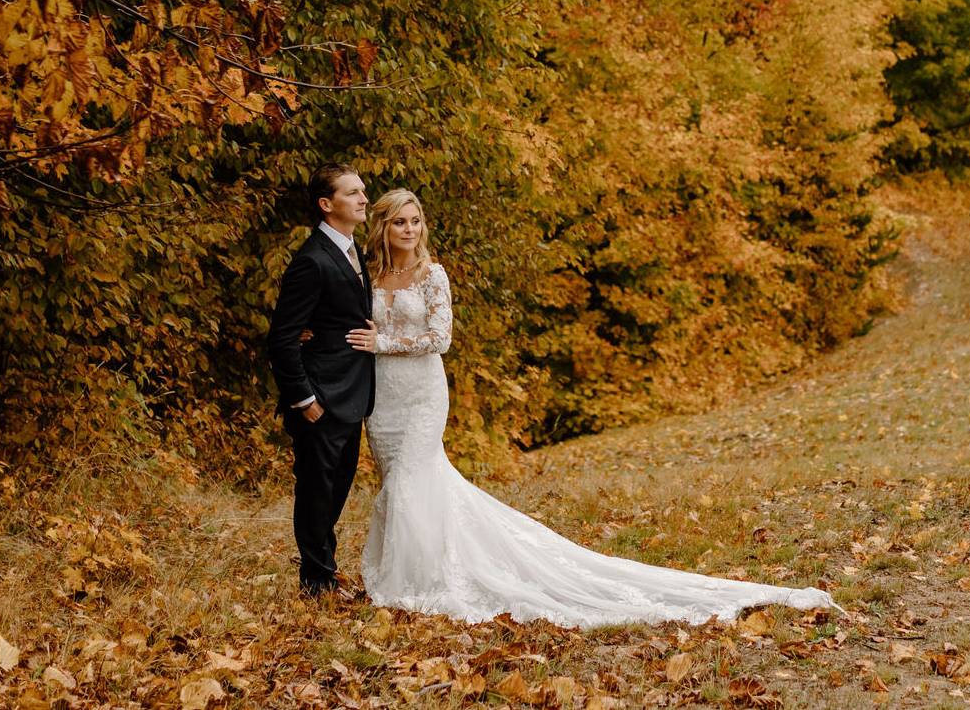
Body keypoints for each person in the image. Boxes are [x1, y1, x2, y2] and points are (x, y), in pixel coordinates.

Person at [349, 187, 840, 628]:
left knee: (413, 476)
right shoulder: (369, 274)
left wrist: (383, 343)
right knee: (401, 479)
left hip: (422, 393)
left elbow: (441, 338)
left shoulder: (433, 275)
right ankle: (419, 567)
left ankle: (420, 581)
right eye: (399, 222)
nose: (409, 230)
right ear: (383, 226)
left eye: (415, 221)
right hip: (383, 397)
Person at [266, 164, 377, 597]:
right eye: (353, 193)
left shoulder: (352, 250)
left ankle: (325, 569)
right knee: (316, 490)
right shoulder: (311, 261)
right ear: (327, 205)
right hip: (320, 398)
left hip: (350, 393)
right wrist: (303, 398)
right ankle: (316, 580)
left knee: (336, 487)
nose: (364, 198)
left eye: (363, 191)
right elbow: (282, 337)